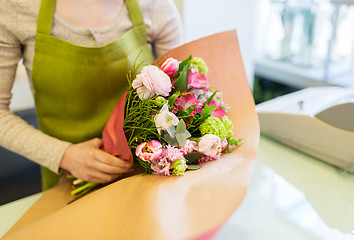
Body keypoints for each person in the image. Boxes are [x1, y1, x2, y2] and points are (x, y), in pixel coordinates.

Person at [0, 0, 183, 190]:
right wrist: (63, 155)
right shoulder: (16, 6)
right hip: (69, 183)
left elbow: (180, 96)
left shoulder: (155, 4)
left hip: (151, 177)